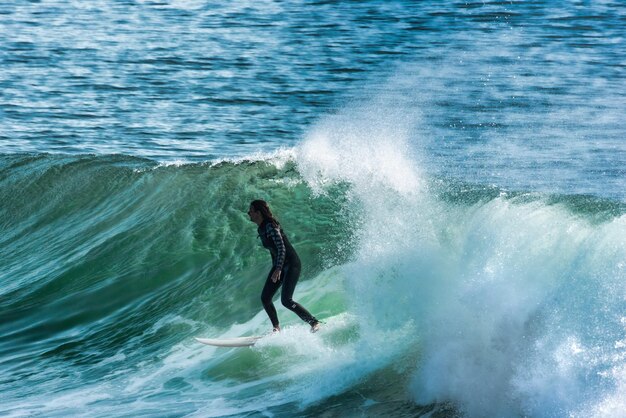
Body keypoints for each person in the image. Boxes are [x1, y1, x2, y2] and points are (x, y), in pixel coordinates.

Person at [247, 199, 321, 333]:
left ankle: (314, 322)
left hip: (291, 264)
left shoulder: (270, 226)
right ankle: (276, 328)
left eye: (251, 211)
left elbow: (281, 248)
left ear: (258, 213)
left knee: (286, 300)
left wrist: (278, 268)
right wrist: (276, 267)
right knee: (265, 297)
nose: (248, 213)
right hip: (280, 265)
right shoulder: (262, 228)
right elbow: (273, 250)